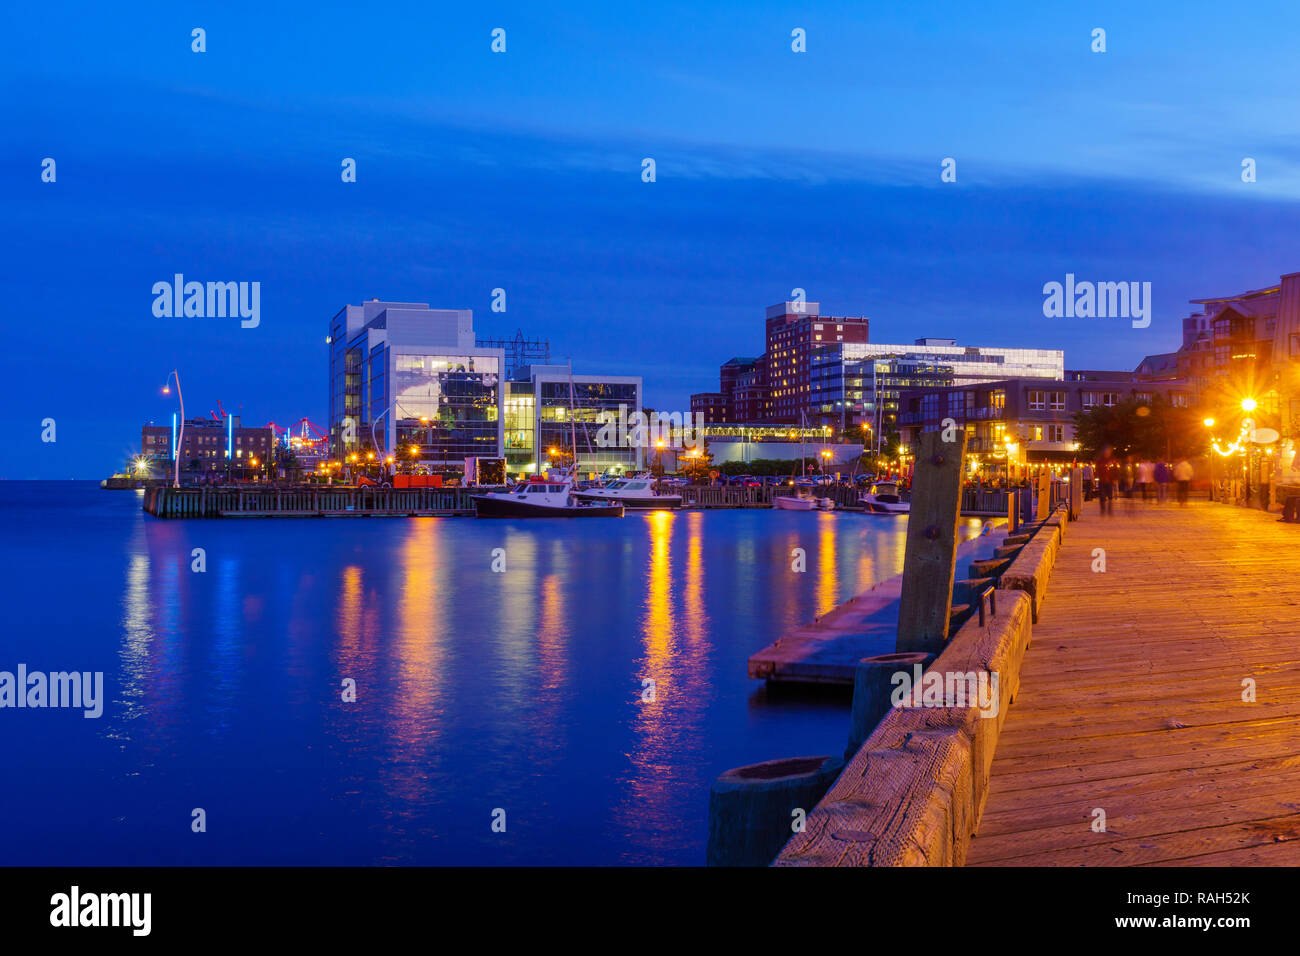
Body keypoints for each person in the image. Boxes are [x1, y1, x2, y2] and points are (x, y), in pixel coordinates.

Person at [1096, 446, 1119, 516]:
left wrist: (1115, 478)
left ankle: (1110, 510)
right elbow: (1097, 469)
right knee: (1102, 496)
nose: (1107, 452)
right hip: (1102, 480)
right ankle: (1103, 509)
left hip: (1110, 480)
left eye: (1109, 451)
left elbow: (1116, 470)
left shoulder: (1112, 460)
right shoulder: (1100, 460)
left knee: (1110, 496)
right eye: (1106, 451)